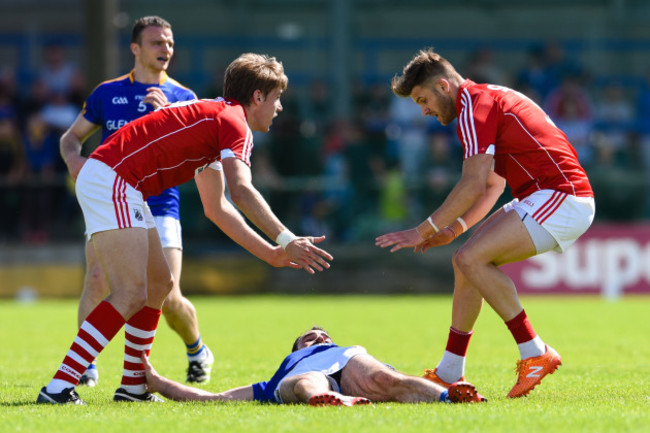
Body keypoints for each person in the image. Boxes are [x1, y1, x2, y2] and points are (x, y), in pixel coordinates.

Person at [37, 52, 333, 405]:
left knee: (159, 284)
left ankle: (133, 386)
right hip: (113, 180)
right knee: (130, 292)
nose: (280, 107)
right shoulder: (234, 122)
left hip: (117, 181)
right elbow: (241, 189)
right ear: (258, 97)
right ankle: (59, 387)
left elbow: (217, 207)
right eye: (277, 98)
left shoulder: (217, 119)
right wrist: (287, 238)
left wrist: (271, 253)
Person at [376, 48, 595, 399]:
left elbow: (473, 184)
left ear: (444, 86)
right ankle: (449, 371)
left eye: (423, 99)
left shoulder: (473, 108)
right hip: (545, 196)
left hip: (561, 197)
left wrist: (422, 230)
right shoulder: (483, 100)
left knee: (471, 260)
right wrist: (453, 229)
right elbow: (493, 184)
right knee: (464, 262)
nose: (424, 111)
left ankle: (534, 351)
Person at [58, 16, 215, 387]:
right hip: (112, 203)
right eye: (157, 43)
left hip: (160, 205)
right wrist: (74, 161)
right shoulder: (106, 93)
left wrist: (167, 119)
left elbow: (194, 155)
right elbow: (70, 138)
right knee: (97, 278)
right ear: (135, 49)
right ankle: (86, 364)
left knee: (168, 294)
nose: (166, 50)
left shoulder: (183, 97)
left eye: (170, 43)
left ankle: (196, 349)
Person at [142, 326, 486, 405]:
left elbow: (398, 379)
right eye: (310, 336)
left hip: (350, 364)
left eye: (323, 334)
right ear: (295, 348)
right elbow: (214, 398)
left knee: (386, 377)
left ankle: (449, 398)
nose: (319, 336)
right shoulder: (288, 369)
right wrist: (158, 383)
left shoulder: (346, 349)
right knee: (308, 384)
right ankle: (338, 402)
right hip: (303, 378)